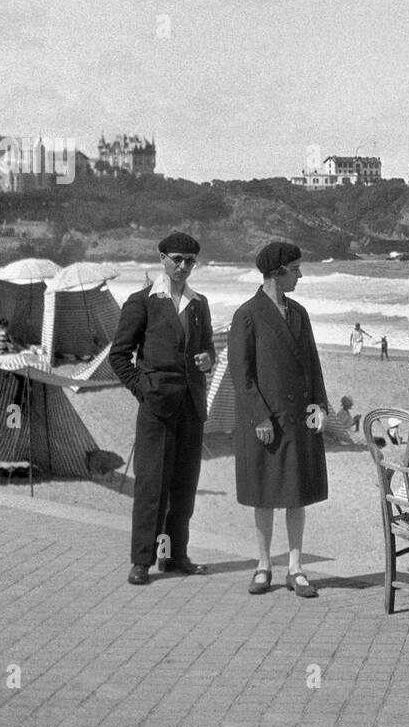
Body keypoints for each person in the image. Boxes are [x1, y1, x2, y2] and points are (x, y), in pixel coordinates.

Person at [109, 231, 216, 585]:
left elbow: (208, 350)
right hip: (156, 406)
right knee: (152, 485)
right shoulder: (141, 301)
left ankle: (174, 556)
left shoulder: (198, 303)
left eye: (190, 261)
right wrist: (144, 391)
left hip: (191, 405)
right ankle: (142, 559)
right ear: (162, 259)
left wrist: (206, 359)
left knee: (183, 486)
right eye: (177, 260)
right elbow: (119, 356)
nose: (184, 267)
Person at [231, 241, 329, 599]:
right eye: (296, 268)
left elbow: (312, 363)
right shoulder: (247, 314)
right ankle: (262, 565)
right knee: (263, 495)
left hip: (298, 418)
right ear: (277, 272)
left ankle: (296, 568)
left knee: (296, 495)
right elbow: (241, 375)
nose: (300, 274)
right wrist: (260, 416)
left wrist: (320, 404)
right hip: (265, 420)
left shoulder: (299, 313)